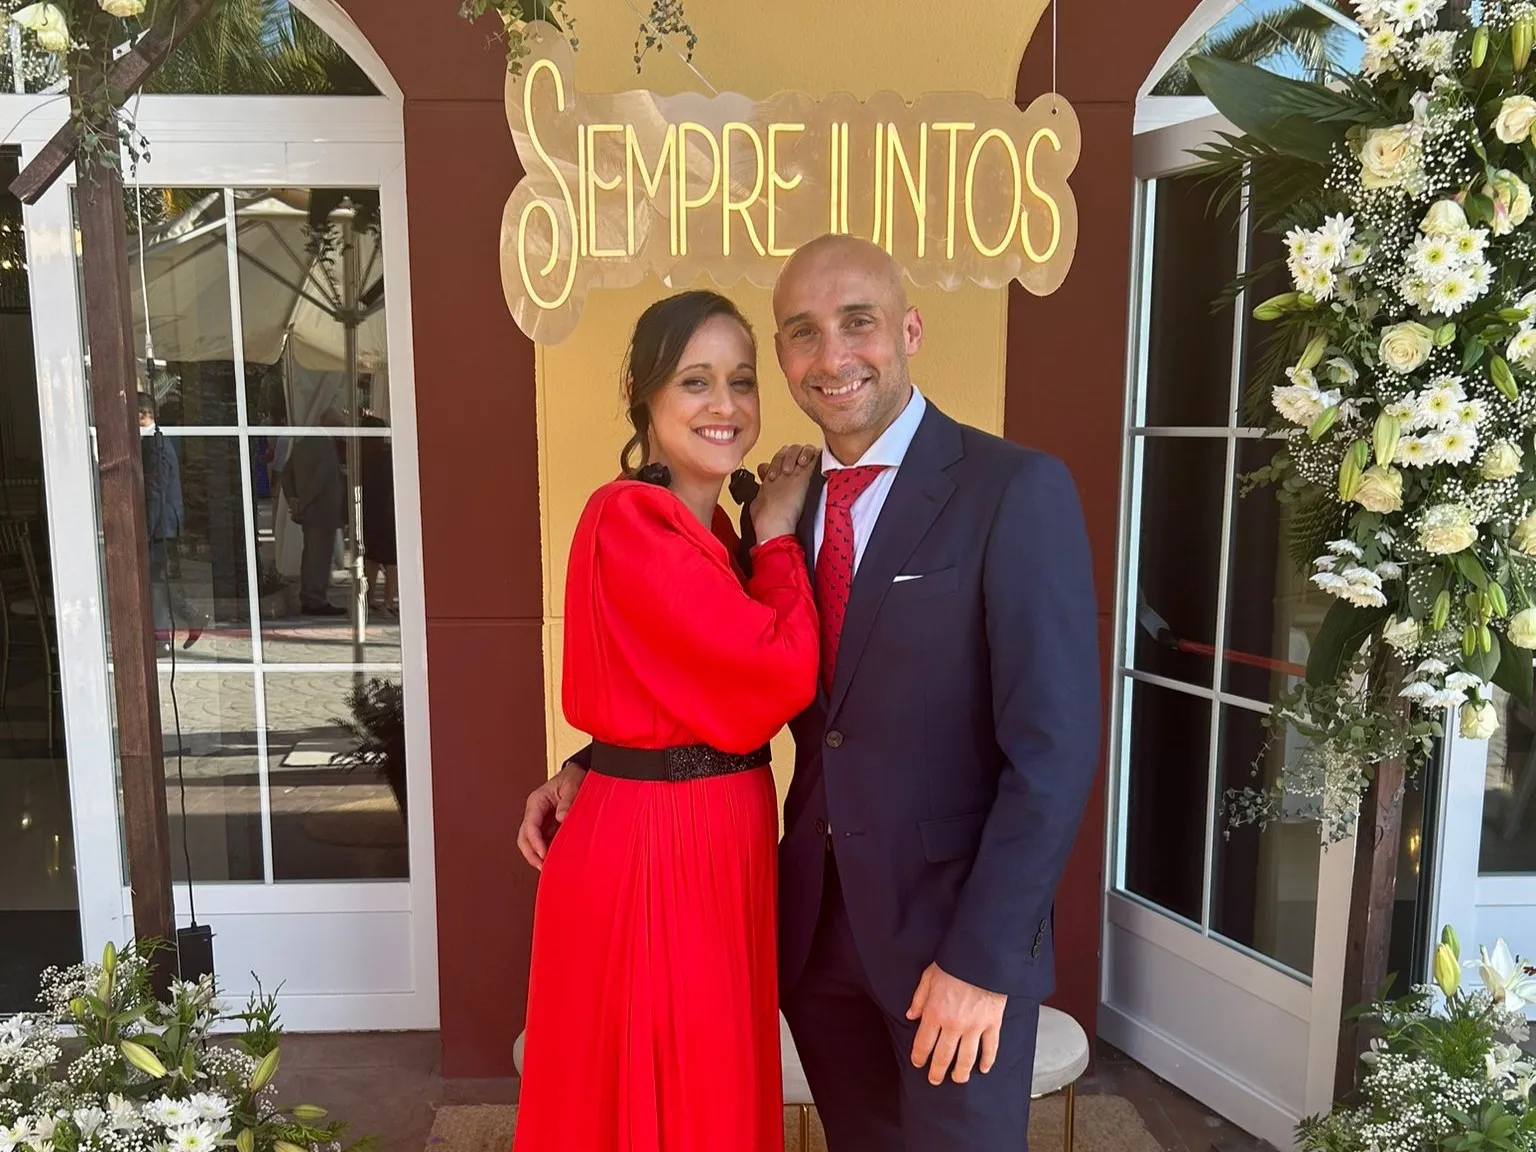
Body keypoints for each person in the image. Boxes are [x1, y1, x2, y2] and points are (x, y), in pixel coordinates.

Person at [520, 235, 1101, 1151]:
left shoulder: (1012, 489)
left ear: (909, 330)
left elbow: (1054, 752)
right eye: (801, 333)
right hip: (815, 937)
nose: (832, 356)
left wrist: (986, 960)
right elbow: (698, 669)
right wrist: (594, 762)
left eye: (857, 323)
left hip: (949, 946)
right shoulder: (779, 511)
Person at [510, 290, 823, 1152]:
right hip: (661, 848)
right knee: (670, 1100)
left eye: (741, 380)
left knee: (702, 1092)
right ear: (642, 395)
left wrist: (584, 760)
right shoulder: (635, 518)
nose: (725, 404)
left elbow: (663, 688)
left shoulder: (705, 528)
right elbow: (773, 675)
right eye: (695, 380)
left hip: (702, 833)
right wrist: (778, 536)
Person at [139, 393, 205, 655]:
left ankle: (163, 638)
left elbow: (156, 491)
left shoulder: (155, 444)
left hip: (161, 525)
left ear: (142, 415)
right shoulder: (155, 441)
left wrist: (145, 529)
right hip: (163, 523)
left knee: (155, 582)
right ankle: (190, 618)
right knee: (157, 580)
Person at [281, 410, 347, 616]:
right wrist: (301, 502)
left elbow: (286, 473)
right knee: (319, 557)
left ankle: (309, 596)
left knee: (310, 555)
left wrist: (293, 498)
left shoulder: (303, 443)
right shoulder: (325, 446)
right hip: (322, 511)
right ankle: (315, 600)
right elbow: (319, 480)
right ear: (333, 425)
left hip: (310, 512)